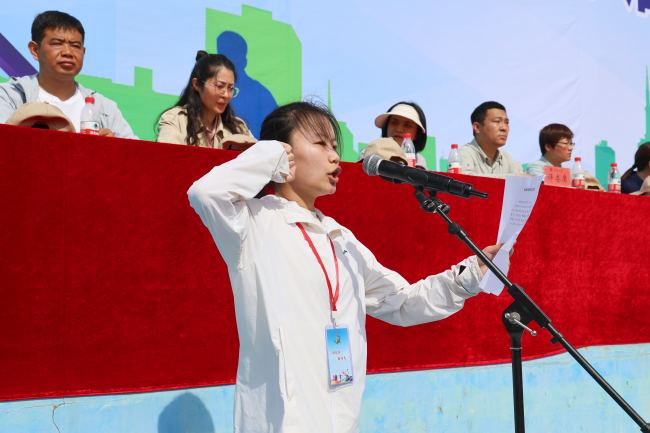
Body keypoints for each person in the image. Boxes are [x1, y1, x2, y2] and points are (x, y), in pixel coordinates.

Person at [187, 101, 504, 433]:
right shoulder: (251, 223)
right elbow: (205, 193)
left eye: (335, 147)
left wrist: (470, 275)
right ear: (284, 152)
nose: (335, 157)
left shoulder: (340, 237)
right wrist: (268, 156)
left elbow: (402, 302)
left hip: (342, 419)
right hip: (281, 422)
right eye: (320, 144)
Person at [0, 10, 136, 138]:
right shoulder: (9, 96)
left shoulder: (104, 107)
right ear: (35, 50)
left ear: (83, 52)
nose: (68, 52)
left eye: (75, 46)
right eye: (57, 43)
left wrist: (113, 147)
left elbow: (137, 151)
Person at [157, 51, 255, 149]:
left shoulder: (238, 128)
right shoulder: (176, 120)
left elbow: (258, 155)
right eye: (219, 86)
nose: (226, 95)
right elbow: (167, 156)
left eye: (231, 88)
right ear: (196, 84)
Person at [459, 101, 523, 177]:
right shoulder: (463, 154)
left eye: (506, 122)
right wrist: (512, 178)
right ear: (477, 127)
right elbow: (465, 180)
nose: (504, 128)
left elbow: (521, 179)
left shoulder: (508, 158)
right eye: (497, 121)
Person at [370, 101, 429, 168]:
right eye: (394, 123)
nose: (399, 129)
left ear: (417, 134)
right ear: (386, 127)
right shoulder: (370, 154)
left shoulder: (421, 165)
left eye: (407, 125)